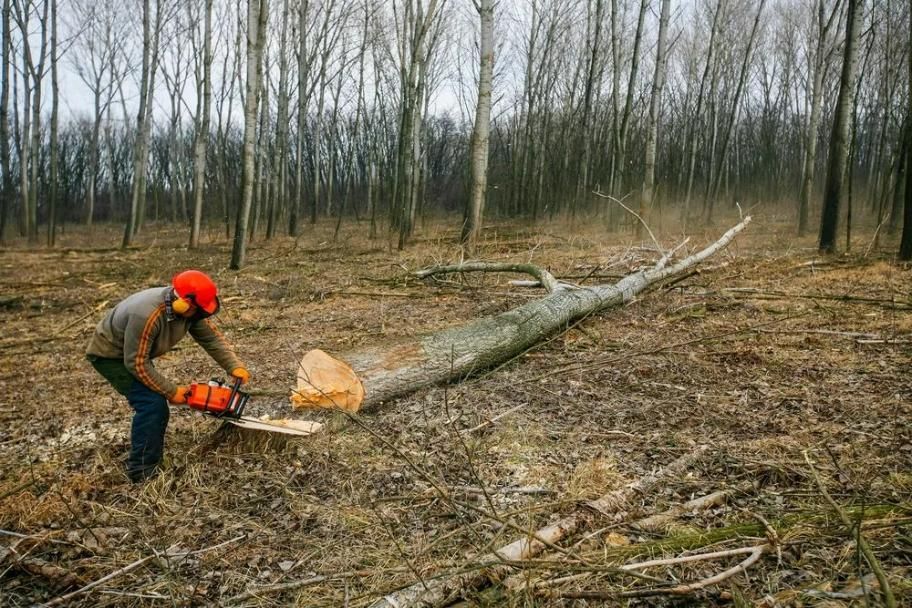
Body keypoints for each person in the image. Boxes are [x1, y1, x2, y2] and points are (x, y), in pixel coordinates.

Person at [86, 270, 250, 482]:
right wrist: (171, 392)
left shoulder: (191, 311)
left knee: (154, 398)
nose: (201, 315)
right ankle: (142, 472)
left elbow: (211, 339)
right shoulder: (147, 314)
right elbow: (135, 362)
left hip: (135, 354)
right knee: (152, 403)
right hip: (110, 356)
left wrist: (234, 366)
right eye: (198, 310)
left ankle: (148, 460)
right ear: (183, 302)